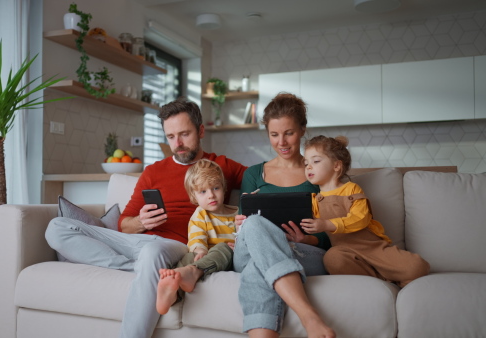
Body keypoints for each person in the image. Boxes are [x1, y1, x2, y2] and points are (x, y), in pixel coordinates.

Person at [45, 98, 247, 338]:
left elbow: (262, 182)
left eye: (184, 134)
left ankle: (147, 277)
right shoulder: (153, 171)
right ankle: (141, 270)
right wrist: (141, 221)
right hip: (136, 244)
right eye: (170, 137)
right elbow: (123, 224)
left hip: (174, 246)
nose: (178, 144)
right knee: (57, 227)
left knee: (152, 254)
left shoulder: (221, 166)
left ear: (201, 131)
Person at [234, 92, 335, 338]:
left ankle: (307, 319)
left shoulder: (319, 170)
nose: (282, 142)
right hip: (253, 248)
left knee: (258, 268)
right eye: (274, 134)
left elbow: (337, 230)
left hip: (303, 251)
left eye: (288, 133)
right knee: (255, 224)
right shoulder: (254, 174)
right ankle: (308, 316)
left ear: (302, 130)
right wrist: (241, 224)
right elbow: (243, 225)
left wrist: (310, 238)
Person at [301, 135, 430, 287]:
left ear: (336, 166)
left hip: (373, 248)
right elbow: (315, 227)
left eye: (315, 161)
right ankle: (382, 280)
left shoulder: (351, 189)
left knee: (418, 266)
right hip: (346, 253)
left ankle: (389, 276)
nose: (309, 166)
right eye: (306, 163)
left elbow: (361, 218)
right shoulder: (315, 199)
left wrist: (327, 224)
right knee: (332, 258)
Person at [156, 159, 238, 315]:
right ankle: (172, 293)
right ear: (193, 196)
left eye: (216, 188)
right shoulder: (200, 214)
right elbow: (197, 236)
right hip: (205, 255)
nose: (211, 195)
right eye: (203, 191)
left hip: (229, 256)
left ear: (224, 188)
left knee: (224, 247)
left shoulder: (238, 212)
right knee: (186, 260)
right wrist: (199, 250)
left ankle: (191, 272)